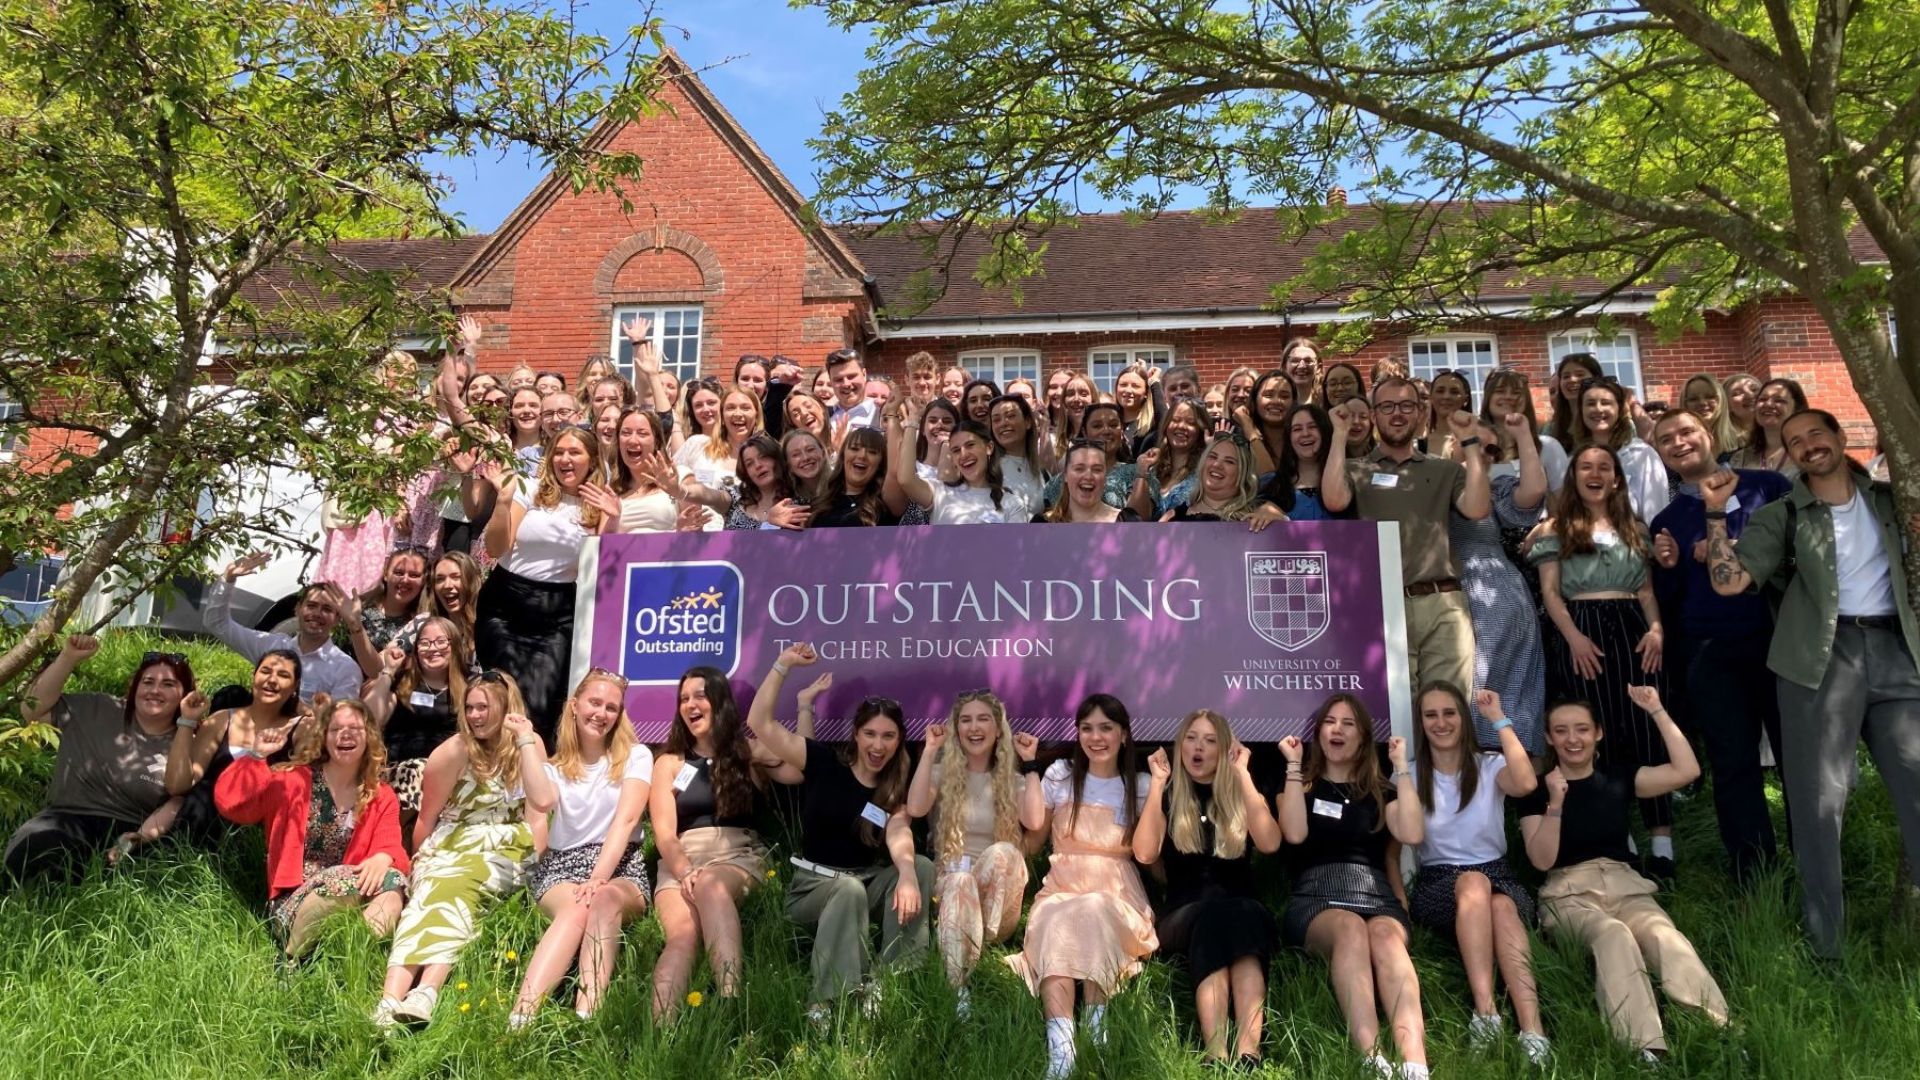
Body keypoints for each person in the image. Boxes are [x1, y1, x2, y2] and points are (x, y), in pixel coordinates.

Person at [1707, 409, 1920, 959]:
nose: (1807, 446)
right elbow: (1730, 584)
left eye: (1816, 434)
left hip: (1897, 653)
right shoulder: (1782, 515)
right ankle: (1828, 946)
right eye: (1795, 441)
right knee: (1818, 805)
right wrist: (1715, 513)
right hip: (1816, 661)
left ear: (1839, 437)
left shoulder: (1890, 501)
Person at [1516, 693, 1728, 1061]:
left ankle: (1720, 1030)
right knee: (1612, 935)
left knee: (1664, 936)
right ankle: (1645, 1048)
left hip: (1626, 886)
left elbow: (1687, 770)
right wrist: (1555, 805)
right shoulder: (1536, 790)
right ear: (1549, 737)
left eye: (1582, 729)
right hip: (1568, 893)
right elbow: (1540, 859)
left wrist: (1658, 710)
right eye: (1561, 731)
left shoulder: (1618, 778)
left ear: (1598, 733)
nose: (1573, 739)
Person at [749, 645, 934, 1020]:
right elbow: (760, 723)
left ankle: (889, 978)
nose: (878, 745)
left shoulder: (895, 785)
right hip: (813, 887)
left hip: (865, 884)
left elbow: (899, 831)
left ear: (899, 740)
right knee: (848, 889)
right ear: (855, 734)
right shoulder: (821, 762)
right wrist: (782, 664)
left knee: (924, 867)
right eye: (870, 734)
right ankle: (824, 1001)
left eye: (888, 736)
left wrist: (909, 875)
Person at [1648, 411, 1790, 885]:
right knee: (1733, 764)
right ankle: (1756, 876)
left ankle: (1817, 860)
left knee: (1798, 757)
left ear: (1709, 435)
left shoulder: (1765, 487)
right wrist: (1666, 567)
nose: (1679, 443)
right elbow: (1671, 604)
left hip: (1776, 639)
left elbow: (1799, 550)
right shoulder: (1667, 519)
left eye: (1686, 432)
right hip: (1709, 651)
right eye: (1666, 439)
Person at [1531, 445, 1675, 877]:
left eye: (1604, 467)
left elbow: (1648, 590)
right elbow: (1551, 593)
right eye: (1586, 467)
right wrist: (1573, 637)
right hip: (1583, 626)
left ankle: (1662, 840)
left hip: (1633, 626)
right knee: (1599, 731)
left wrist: (1656, 630)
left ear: (1616, 478)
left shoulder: (1635, 528)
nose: (1595, 474)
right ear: (1574, 476)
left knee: (1644, 726)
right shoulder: (1556, 529)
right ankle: (1618, 833)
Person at [376, 672, 549, 1029]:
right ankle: (393, 999)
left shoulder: (529, 746)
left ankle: (425, 990)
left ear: (505, 706)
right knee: (433, 889)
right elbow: (426, 819)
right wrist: (417, 865)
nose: (475, 715)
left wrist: (538, 861)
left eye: (483, 707)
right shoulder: (452, 752)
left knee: (462, 885)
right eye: (469, 707)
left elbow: (539, 814)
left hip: (508, 845)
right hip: (452, 841)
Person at [1277, 695, 1428, 1079]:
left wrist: (1401, 769)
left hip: (1376, 895)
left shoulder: (1383, 793)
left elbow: (1411, 832)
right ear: (1319, 733)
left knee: (1383, 936)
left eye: (1348, 723)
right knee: (1349, 927)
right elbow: (1293, 834)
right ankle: (1372, 1057)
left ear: (1363, 738)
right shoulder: (1301, 788)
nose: (1338, 729)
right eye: (1330, 722)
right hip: (1316, 897)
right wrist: (1294, 766)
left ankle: (1414, 1064)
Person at [1009, 694, 1156, 1080]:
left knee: (1093, 909)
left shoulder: (1139, 785)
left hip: (1117, 891)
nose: (1096, 737)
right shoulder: (1060, 774)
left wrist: (1159, 788)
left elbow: (1149, 854)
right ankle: (1062, 1049)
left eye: (1106, 728)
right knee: (1058, 919)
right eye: (1087, 728)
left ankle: (1096, 1031)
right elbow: (1035, 839)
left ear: (1123, 734)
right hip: (1061, 885)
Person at [1407, 685, 1548, 1063]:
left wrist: (1499, 719)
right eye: (1431, 715)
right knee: (1472, 883)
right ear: (1421, 723)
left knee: (1502, 908)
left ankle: (1533, 1030)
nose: (1441, 722)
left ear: (1463, 719)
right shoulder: (1410, 774)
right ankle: (1486, 1012)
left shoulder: (1488, 765)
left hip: (1498, 875)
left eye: (1449, 713)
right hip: (1439, 882)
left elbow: (1527, 783)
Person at [1323, 379, 1489, 697]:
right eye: (1387, 407)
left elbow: (1478, 508)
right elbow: (1334, 500)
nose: (1397, 414)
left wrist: (1470, 443)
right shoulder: (1356, 469)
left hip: (1443, 605)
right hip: (1382, 605)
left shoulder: (1445, 470)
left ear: (1420, 412)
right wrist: (1340, 434)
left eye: (1406, 406)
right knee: (1398, 713)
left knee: (1449, 711)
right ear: (1373, 415)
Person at [1133, 711, 1281, 1065]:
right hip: (1183, 914)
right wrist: (1156, 784)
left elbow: (1271, 842)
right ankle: (1216, 1050)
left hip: (1241, 907)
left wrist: (1243, 775)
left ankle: (1248, 1051)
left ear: (1226, 749)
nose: (1198, 747)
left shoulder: (1239, 793)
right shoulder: (1169, 794)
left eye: (1211, 740)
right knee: (1219, 916)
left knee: (1238, 918)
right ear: (1180, 744)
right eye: (1191, 738)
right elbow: (1144, 851)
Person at [650, 667, 795, 1019]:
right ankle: (659, 1038)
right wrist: (684, 871)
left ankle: (731, 1004)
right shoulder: (669, 763)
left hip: (736, 855)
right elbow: (665, 833)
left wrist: (803, 707)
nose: (690, 704)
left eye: (700, 696)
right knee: (682, 937)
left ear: (720, 702)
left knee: (712, 886)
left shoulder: (746, 752)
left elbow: (798, 768)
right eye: (684, 699)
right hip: (680, 857)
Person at [215, 698, 409, 959]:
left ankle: (354, 955)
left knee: (394, 882)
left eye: (355, 728)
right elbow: (231, 804)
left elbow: (391, 844)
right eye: (336, 728)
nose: (346, 734)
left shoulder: (380, 794)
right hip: (294, 901)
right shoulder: (291, 781)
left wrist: (383, 857)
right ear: (324, 737)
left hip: (352, 895)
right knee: (346, 876)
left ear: (369, 737)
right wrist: (256, 756)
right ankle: (291, 958)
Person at [509, 671, 652, 1025]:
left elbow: (625, 820)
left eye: (611, 708)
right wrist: (526, 740)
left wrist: (598, 878)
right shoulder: (556, 768)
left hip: (621, 865)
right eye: (594, 703)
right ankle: (520, 1019)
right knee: (574, 909)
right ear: (574, 706)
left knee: (602, 899)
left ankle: (587, 1014)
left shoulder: (637, 756)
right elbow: (541, 803)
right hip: (561, 866)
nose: (601, 713)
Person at [4, 638, 194, 884]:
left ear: (184, 694)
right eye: (147, 682)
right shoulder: (97, 708)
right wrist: (68, 657)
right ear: (135, 687)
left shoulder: (186, 740)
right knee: (37, 854)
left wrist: (138, 837)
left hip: (131, 831)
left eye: (168, 684)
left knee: (122, 883)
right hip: (67, 817)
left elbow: (178, 799)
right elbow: (31, 711)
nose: (155, 690)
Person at [476, 426, 611, 741]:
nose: (565, 459)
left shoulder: (600, 505)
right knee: (502, 698)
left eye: (574, 452)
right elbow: (496, 548)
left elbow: (600, 565)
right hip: (505, 603)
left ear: (591, 461)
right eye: (559, 452)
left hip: (557, 611)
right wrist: (502, 501)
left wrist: (613, 518)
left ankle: (533, 780)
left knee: (539, 704)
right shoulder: (530, 489)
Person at [905, 691, 1029, 1016]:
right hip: (952, 892)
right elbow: (916, 807)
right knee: (960, 879)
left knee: (1004, 852)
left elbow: (1035, 820)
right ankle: (957, 987)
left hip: (995, 907)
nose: (974, 727)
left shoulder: (1012, 781)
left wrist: (1028, 765)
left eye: (983, 719)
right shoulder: (941, 775)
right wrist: (931, 750)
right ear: (956, 729)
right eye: (966, 720)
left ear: (998, 729)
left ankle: (976, 944)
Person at [1453, 413, 1549, 751]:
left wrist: (1522, 433)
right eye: (1475, 443)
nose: (1484, 454)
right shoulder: (1433, 479)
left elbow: (1534, 492)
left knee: (1505, 683)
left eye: (1492, 450)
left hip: (1499, 594)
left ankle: (1514, 767)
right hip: (1448, 591)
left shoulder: (1495, 490)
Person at [165, 649, 304, 843]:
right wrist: (187, 721)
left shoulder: (300, 729)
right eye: (265, 671)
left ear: (295, 686)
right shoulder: (222, 720)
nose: (272, 680)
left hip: (255, 843)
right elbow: (177, 786)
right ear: (253, 676)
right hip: (200, 833)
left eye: (283, 675)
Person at [204, 554, 361, 703]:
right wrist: (228, 579)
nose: (317, 614)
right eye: (311, 606)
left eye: (327, 609)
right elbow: (217, 624)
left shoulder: (344, 668)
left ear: (338, 618)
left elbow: (339, 722)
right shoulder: (271, 646)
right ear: (298, 609)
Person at [364, 617, 469, 839]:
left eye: (441, 641)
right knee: (417, 770)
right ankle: (390, 841)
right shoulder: (401, 682)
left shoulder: (468, 687)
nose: (433, 649)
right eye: (424, 642)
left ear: (455, 645)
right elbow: (369, 719)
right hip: (398, 771)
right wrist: (388, 672)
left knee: (425, 770)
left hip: (447, 775)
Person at [895, 405, 1026, 524]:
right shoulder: (939, 491)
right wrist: (912, 420)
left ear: (989, 447)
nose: (963, 454)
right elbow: (906, 479)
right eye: (956, 450)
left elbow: (1015, 549)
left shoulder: (1012, 504)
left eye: (970, 445)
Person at [1569, 378, 1668, 522]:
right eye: (1590, 404)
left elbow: (1657, 514)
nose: (1598, 409)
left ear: (1619, 409)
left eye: (1606, 403)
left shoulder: (1642, 455)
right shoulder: (1573, 460)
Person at [682, 432, 812, 531]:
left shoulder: (801, 499)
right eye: (749, 464)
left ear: (777, 459)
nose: (758, 466)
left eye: (763, 458)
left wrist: (768, 524)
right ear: (745, 473)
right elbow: (707, 494)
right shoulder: (735, 498)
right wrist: (680, 490)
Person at [342, 547, 429, 678]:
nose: (405, 580)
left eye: (414, 575)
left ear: (423, 581)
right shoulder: (358, 609)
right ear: (385, 574)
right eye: (399, 572)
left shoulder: (421, 624)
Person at [1041, 402, 1139, 512]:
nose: (1106, 431)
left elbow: (1140, 521)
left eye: (1113, 425)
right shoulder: (1060, 481)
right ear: (1084, 432)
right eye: (1097, 426)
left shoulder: (1137, 474)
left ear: (1121, 432)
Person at [1257, 402, 1347, 521]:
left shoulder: (1346, 481)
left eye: (1312, 427)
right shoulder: (1271, 484)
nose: (1305, 434)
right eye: (1297, 429)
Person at [810, 426, 908, 528]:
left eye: (872, 452)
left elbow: (894, 470)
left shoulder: (885, 503)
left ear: (880, 464)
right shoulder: (820, 503)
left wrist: (892, 416)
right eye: (854, 449)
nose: (862, 456)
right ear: (843, 456)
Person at [1041, 440, 1143, 523]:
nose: (1088, 476)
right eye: (1079, 469)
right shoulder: (1042, 524)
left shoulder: (1128, 521)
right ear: (1065, 476)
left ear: (1105, 476)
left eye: (1097, 469)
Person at [1725, 376, 1806, 479]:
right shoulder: (1740, 459)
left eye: (1779, 400)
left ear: (1796, 408)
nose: (1768, 404)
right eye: (1762, 399)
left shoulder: (1809, 451)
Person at [1143, 397, 1208, 515]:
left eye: (1191, 422)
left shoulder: (1205, 473)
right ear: (1166, 425)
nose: (1182, 426)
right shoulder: (1152, 469)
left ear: (1201, 430)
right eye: (1176, 420)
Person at [988, 393, 1048, 513]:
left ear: (1028, 422)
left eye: (1010, 416)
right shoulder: (986, 469)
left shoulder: (1042, 472)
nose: (1003, 423)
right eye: (996, 419)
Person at [1240, 370, 1295, 477]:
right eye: (1268, 395)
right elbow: (1267, 480)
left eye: (1284, 396)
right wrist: (1248, 427)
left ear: (1293, 401)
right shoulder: (1238, 442)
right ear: (1255, 399)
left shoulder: (1303, 438)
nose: (1276, 401)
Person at [1542, 353, 1604, 446]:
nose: (1572, 379)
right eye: (1566, 376)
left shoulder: (1608, 419)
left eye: (1580, 374)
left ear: (1596, 379)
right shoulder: (1551, 429)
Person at [424, 552, 480, 653]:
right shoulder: (424, 622)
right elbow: (390, 652)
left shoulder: (489, 627)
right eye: (440, 579)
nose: (447, 585)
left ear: (471, 581)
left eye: (455, 577)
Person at [1680, 374, 1743, 461]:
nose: (1702, 403)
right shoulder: (1679, 445)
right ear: (1685, 404)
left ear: (1721, 400)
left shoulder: (1742, 442)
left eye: (1710, 397)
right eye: (1693, 399)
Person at [825, 348, 881, 435]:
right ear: (831, 382)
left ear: (864, 374)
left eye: (851, 376)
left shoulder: (880, 412)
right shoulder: (824, 416)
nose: (846, 384)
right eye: (838, 379)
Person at [1113, 365, 1159, 460]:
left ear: (1146, 393)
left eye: (1135, 386)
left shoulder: (1153, 424)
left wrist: (1154, 383)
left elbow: (1166, 424)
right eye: (1123, 385)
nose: (1128, 390)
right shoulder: (1109, 423)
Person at [1282, 337, 1322, 403]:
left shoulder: (1327, 405)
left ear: (1318, 367)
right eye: (1295, 361)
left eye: (1308, 361)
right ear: (1284, 366)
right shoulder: (1277, 405)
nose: (1302, 366)